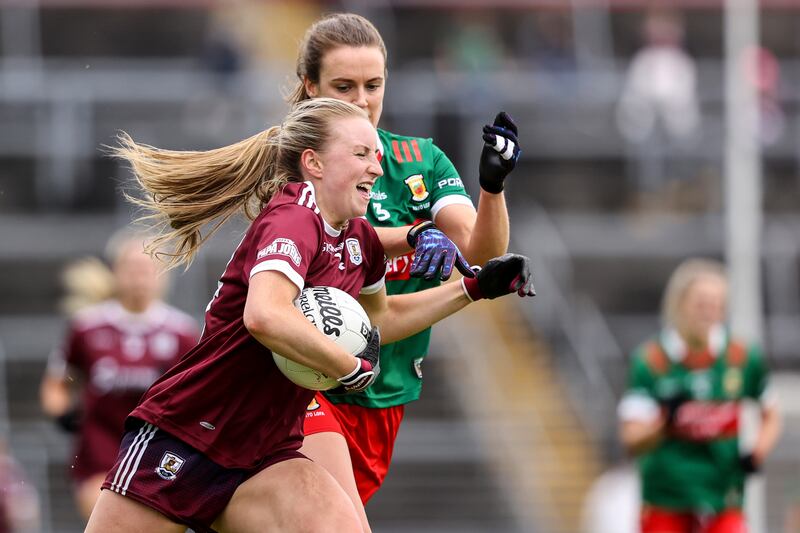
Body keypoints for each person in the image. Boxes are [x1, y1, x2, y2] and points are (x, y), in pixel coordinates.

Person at [84, 98, 534, 533]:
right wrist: (346, 367)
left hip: (266, 449)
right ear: (314, 163)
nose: (377, 167)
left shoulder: (358, 237)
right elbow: (265, 315)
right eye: (360, 154)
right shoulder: (293, 216)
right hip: (188, 434)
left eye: (376, 155)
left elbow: (381, 319)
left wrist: (474, 288)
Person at [286, 13, 520, 526]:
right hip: (306, 383)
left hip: (385, 388)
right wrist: (411, 236)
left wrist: (493, 187)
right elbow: (332, 238)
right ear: (310, 87)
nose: (361, 101)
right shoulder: (297, 164)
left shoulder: (420, 160)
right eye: (343, 87)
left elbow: (476, 249)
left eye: (373, 85)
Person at [39, 231, 199, 520]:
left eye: (147, 268)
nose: (139, 277)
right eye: (132, 268)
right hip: (100, 449)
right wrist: (63, 412)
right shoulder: (87, 327)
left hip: (155, 452)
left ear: (162, 275)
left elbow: (197, 393)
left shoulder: (181, 332)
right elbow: (57, 383)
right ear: (116, 272)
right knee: (106, 520)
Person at [617, 258, 782, 533]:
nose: (709, 312)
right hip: (666, 498)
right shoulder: (651, 362)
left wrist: (757, 452)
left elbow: (772, 413)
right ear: (679, 304)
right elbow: (631, 440)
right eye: (701, 304)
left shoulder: (742, 357)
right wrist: (664, 422)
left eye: (717, 305)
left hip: (724, 496)